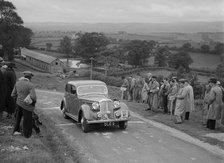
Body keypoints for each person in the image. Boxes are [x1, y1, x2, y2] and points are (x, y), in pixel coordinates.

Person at [11, 71, 37, 138]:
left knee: (18, 118)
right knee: (27, 120)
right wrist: (34, 102)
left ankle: (16, 131)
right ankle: (27, 134)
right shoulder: (30, 85)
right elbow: (33, 97)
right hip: (27, 106)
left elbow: (13, 94)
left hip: (18, 104)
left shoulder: (17, 83)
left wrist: (18, 99)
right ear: (30, 78)